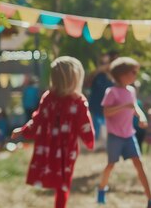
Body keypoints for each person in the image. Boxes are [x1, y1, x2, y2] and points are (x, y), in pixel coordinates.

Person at [11, 56, 94, 208]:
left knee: (61, 181)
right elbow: (85, 125)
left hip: (51, 146)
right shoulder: (74, 100)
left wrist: (25, 130)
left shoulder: (52, 97)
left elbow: (37, 120)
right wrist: (89, 140)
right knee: (63, 181)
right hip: (65, 149)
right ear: (75, 79)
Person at [96, 57, 151, 208]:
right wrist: (123, 106)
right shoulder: (112, 92)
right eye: (133, 72)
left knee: (139, 164)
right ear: (122, 74)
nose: (136, 75)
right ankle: (101, 188)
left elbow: (135, 107)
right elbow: (107, 112)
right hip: (115, 136)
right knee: (111, 165)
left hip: (129, 135)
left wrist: (141, 116)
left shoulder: (131, 90)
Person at [89, 52, 117, 142]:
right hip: (96, 106)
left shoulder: (113, 77)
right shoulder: (97, 75)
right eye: (103, 63)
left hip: (108, 108)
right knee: (95, 129)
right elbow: (88, 81)